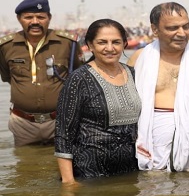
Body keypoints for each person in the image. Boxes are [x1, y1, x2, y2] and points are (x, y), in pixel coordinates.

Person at [127, 3, 189, 172]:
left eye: (186, 26)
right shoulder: (139, 59)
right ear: (155, 30)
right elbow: (128, 106)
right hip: (149, 146)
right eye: (173, 28)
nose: (182, 33)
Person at [54, 19, 140, 183]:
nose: (110, 48)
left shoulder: (134, 74)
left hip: (130, 172)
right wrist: (68, 182)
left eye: (116, 42)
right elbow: (63, 133)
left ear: (124, 44)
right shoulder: (79, 79)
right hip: (89, 174)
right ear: (90, 45)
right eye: (102, 42)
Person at [0, 0, 82, 146]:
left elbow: (79, 76)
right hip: (23, 123)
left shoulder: (68, 43)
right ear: (19, 19)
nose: (35, 21)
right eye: (28, 17)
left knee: (63, 164)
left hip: (61, 120)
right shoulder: (6, 46)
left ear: (49, 18)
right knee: (25, 166)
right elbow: (7, 77)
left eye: (40, 17)